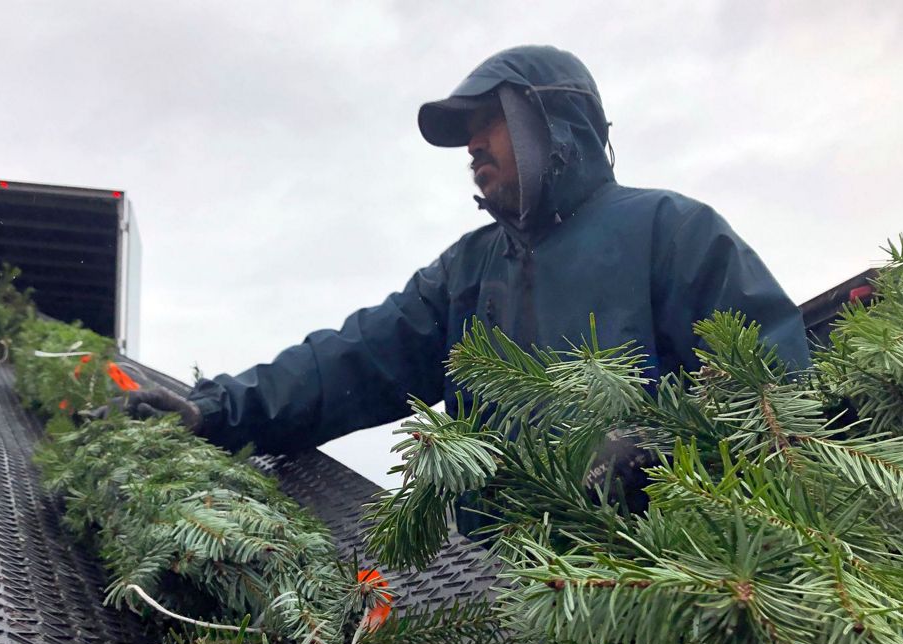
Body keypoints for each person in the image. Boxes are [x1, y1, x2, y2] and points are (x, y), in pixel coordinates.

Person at [120, 45, 809, 467]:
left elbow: (773, 388)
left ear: (554, 123)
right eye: (467, 133)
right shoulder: (465, 273)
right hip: (500, 597)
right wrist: (213, 411)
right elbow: (348, 361)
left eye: (490, 121)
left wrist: (659, 458)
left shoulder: (672, 230)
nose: (474, 145)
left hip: (668, 584)